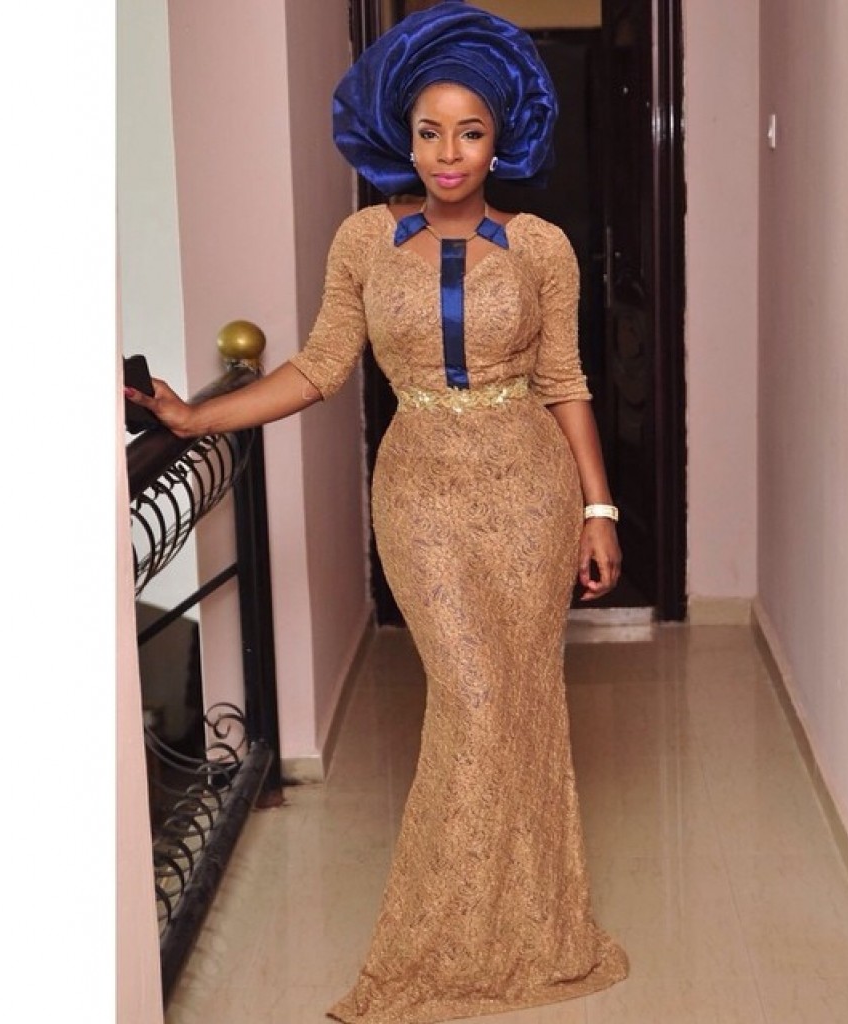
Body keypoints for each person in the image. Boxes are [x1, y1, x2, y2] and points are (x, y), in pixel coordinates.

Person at [126, 2, 629, 1020]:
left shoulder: (542, 247)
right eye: (429, 131)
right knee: (473, 695)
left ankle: (528, 926)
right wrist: (195, 415)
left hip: (529, 492)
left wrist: (598, 508)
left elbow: (565, 382)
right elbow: (317, 367)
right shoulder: (363, 240)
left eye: (470, 132)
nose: (447, 154)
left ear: (501, 139)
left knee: (519, 698)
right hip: (421, 495)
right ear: (403, 134)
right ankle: (442, 938)